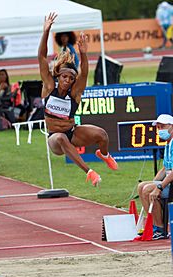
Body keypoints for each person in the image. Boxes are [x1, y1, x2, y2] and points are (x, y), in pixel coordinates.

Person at [38, 12, 118, 187]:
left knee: (102, 135)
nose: (67, 80)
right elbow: (42, 58)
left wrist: (83, 54)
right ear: (58, 76)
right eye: (65, 77)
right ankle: (89, 172)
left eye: (71, 78)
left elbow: (85, 73)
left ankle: (104, 155)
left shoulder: (74, 94)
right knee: (60, 138)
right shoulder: (49, 87)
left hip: (72, 133)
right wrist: (45, 32)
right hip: (55, 138)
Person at [138, 114, 173, 240]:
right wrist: (154, 182)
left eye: (162, 126)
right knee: (142, 186)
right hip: (170, 181)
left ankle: (160, 229)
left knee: (148, 189)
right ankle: (153, 226)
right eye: (158, 127)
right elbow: (165, 168)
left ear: (172, 127)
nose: (160, 130)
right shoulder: (168, 144)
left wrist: (158, 186)